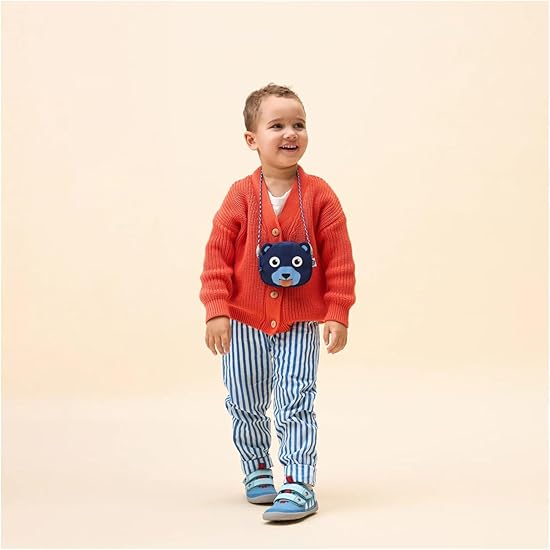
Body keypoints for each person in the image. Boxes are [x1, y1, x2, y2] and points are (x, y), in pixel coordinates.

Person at [199, 83, 356, 522]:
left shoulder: (320, 196)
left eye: (299, 124)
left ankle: (299, 482)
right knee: (244, 400)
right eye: (278, 126)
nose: (291, 133)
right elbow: (216, 256)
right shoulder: (240, 196)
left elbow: (340, 259)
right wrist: (216, 309)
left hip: (300, 323)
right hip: (243, 322)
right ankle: (257, 468)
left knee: (295, 399)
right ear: (252, 139)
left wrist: (337, 311)